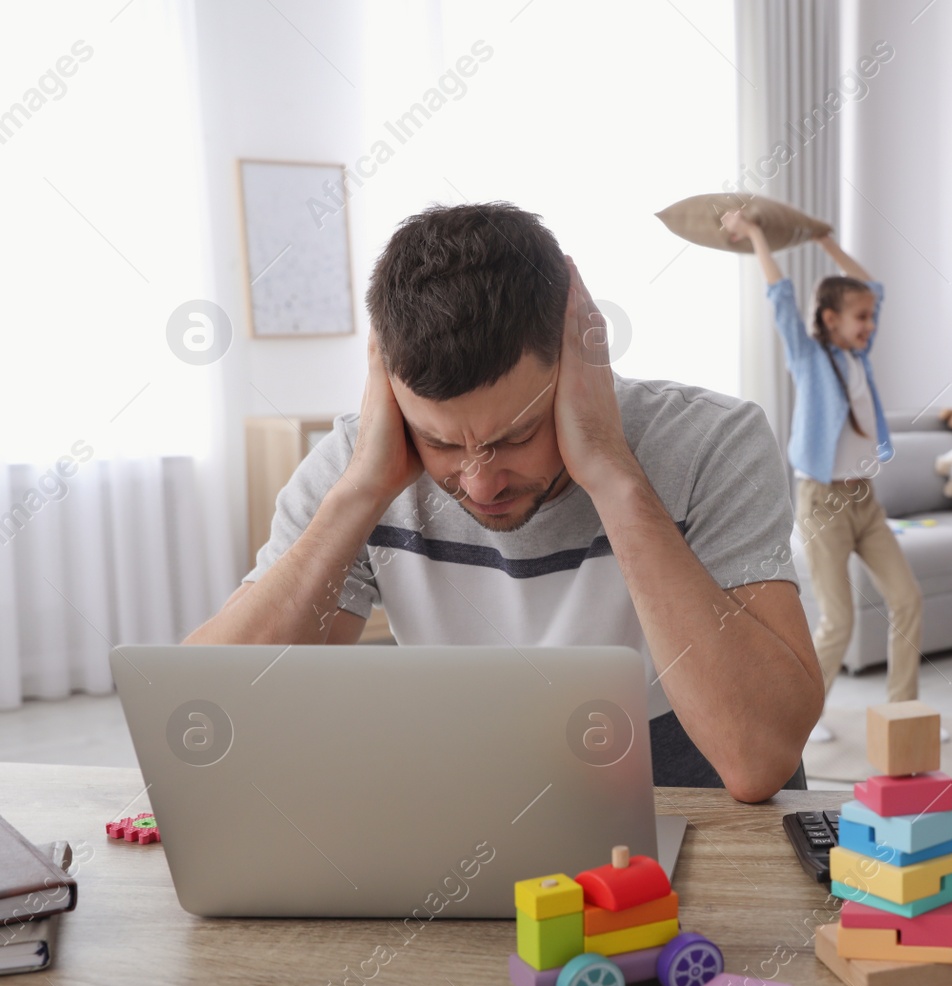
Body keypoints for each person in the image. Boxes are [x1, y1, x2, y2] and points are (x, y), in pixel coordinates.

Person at [185, 202, 823, 803]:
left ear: (581, 360)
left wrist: (612, 474)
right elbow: (205, 722)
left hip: (694, 814)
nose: (481, 484)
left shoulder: (713, 441)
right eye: (439, 442)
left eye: (517, 435)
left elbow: (758, 758)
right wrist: (360, 495)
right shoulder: (361, 464)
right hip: (481, 806)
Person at [720, 210, 924, 744]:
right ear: (830, 318)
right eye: (861, 317)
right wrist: (758, 235)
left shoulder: (861, 357)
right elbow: (781, 298)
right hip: (822, 502)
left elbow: (872, 285)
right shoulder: (810, 358)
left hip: (866, 501)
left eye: (872, 318)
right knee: (839, 621)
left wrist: (826, 241)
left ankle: (902, 713)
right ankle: (804, 720)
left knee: (906, 600)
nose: (870, 325)